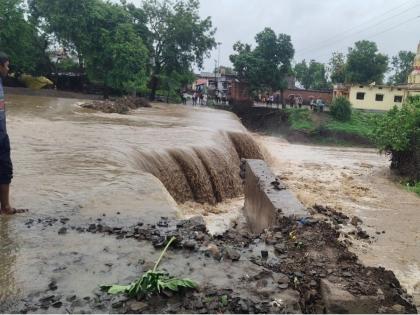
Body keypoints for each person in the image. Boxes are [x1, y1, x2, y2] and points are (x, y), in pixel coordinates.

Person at [0, 52, 15, 215]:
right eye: (7, 65)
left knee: (5, 170)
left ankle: (5, 207)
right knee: (4, 169)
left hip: (2, 135)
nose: (8, 69)